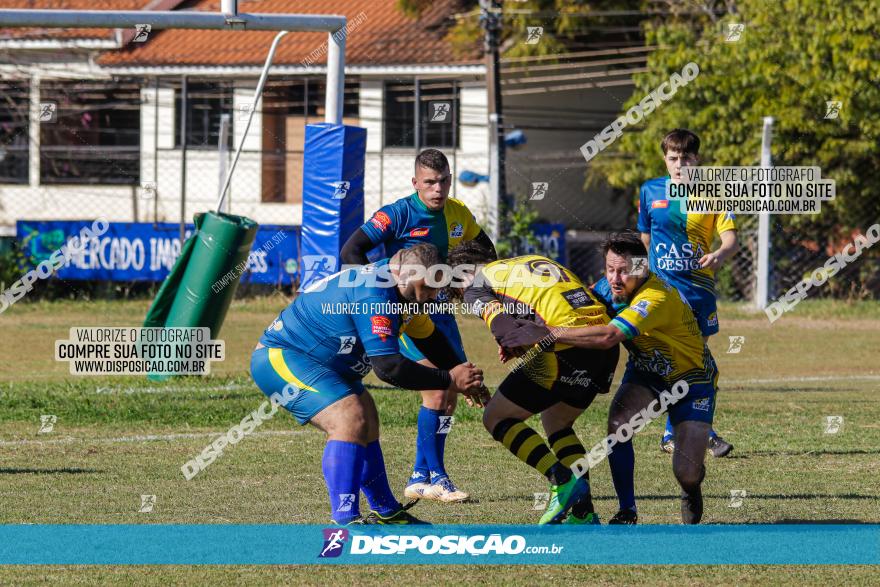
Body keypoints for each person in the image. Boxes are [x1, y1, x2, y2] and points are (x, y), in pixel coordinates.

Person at [250, 244, 485, 525]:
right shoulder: (374, 293)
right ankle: (346, 520)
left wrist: (462, 371)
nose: (433, 295)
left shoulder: (405, 288)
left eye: (437, 286)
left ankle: (387, 511)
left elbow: (429, 339)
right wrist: (450, 379)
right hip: (285, 357)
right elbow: (388, 368)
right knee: (350, 418)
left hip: (327, 365)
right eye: (427, 286)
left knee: (368, 419)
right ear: (402, 274)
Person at [499, 232, 720, 524]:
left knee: (687, 471)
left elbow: (609, 336)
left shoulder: (656, 297)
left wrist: (549, 335)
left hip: (692, 381)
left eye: (624, 271)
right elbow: (576, 314)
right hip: (647, 373)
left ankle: (690, 488)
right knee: (619, 426)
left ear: (641, 268)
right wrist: (525, 338)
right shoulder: (607, 288)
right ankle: (627, 510)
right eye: (610, 269)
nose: (615, 278)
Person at [341, 148, 496, 503]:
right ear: (415, 183)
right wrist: (372, 294)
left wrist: (467, 280)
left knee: (452, 395)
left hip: (441, 316)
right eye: (429, 182)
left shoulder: (459, 213)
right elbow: (352, 251)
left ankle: (419, 476)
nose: (437, 189)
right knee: (439, 390)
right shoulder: (397, 213)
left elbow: (486, 252)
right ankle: (439, 478)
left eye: (443, 181)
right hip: (408, 317)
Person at [448, 241, 619, 524]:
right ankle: (583, 513)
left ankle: (562, 480)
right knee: (557, 423)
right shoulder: (530, 261)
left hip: (564, 349)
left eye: (456, 290)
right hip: (602, 348)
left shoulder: (476, 283)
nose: (460, 296)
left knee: (496, 416)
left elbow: (503, 327)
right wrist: (517, 339)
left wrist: (508, 338)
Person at [638, 128, 737, 458]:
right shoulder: (649, 191)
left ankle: (676, 433)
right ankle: (693, 432)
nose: (680, 164)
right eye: (673, 158)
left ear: (698, 159)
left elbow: (729, 238)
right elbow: (646, 238)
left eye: (687, 157)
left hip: (698, 293)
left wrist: (719, 255)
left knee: (697, 361)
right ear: (665, 159)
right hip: (662, 294)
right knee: (672, 363)